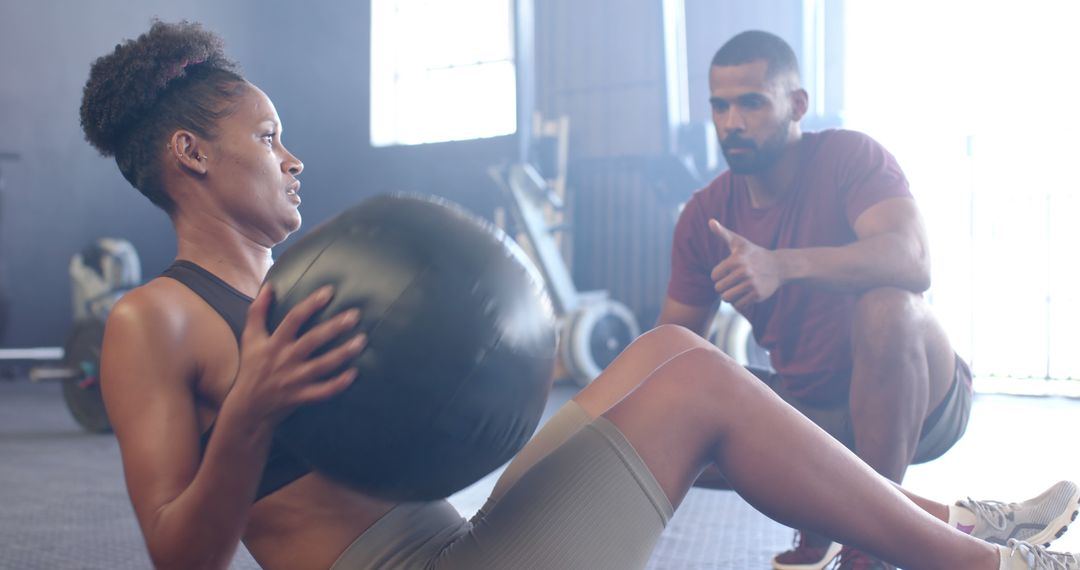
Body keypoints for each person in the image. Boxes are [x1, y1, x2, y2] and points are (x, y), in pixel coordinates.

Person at [82, 20, 1079, 570]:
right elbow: (181, 561)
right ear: (190, 155)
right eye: (267, 138)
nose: (293, 158)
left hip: (466, 538)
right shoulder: (154, 319)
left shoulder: (299, 279)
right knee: (691, 373)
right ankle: (975, 563)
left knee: (669, 358)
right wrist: (251, 411)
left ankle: (948, 531)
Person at [656, 30, 1006, 569]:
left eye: (751, 102)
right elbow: (668, 350)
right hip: (810, 412)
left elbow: (913, 261)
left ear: (796, 106)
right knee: (676, 398)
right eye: (720, 106)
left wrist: (782, 265)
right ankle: (824, 518)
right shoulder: (706, 216)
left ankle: (868, 547)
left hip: (925, 399)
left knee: (890, 307)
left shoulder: (849, 157)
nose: (731, 122)